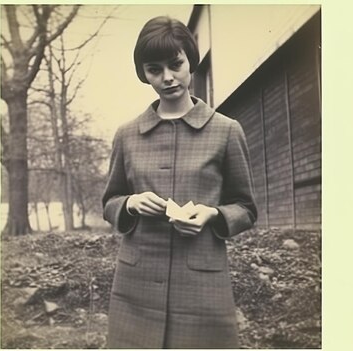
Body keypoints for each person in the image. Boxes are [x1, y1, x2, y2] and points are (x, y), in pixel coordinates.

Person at [102, 15, 257, 349]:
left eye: (175, 64)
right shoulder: (127, 135)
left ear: (191, 60)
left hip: (201, 287)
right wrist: (130, 203)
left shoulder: (226, 130)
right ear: (143, 73)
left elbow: (246, 208)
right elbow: (110, 201)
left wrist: (211, 214)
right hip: (136, 285)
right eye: (154, 69)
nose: (167, 78)